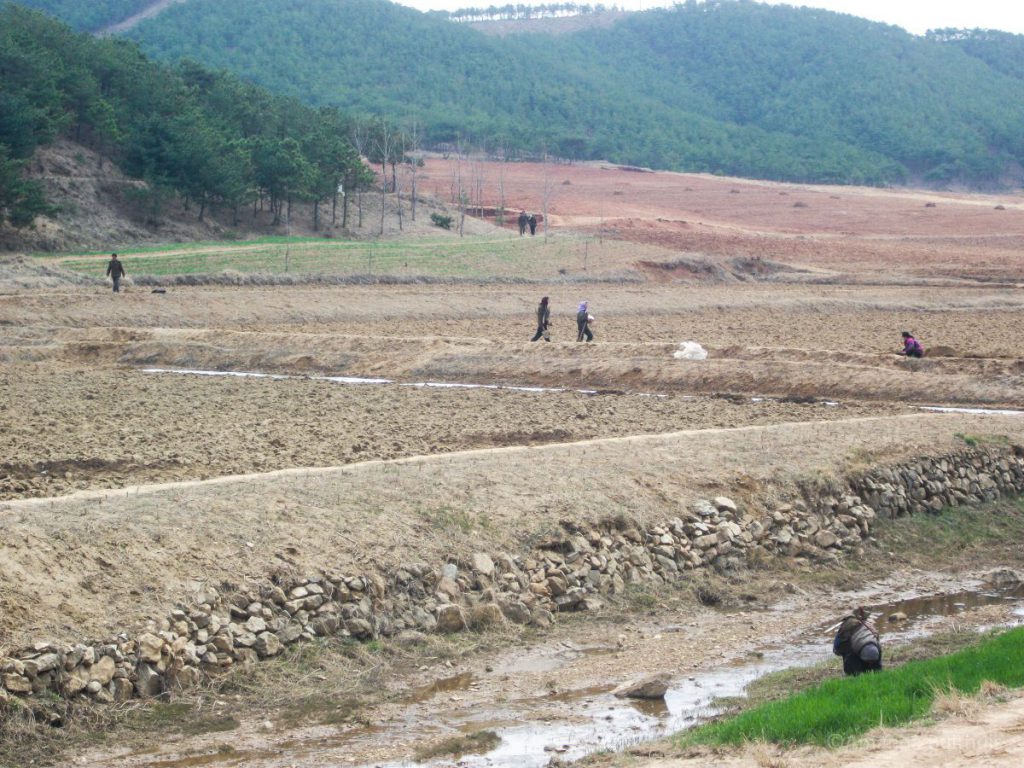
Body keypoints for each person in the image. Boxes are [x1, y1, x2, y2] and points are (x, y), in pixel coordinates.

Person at [832, 607, 882, 676]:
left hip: (857, 653)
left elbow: (837, 646)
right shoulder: (870, 625)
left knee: (855, 675)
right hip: (875, 651)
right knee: (877, 673)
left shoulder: (846, 626)